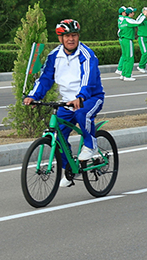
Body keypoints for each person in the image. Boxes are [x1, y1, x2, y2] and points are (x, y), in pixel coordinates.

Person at [24, 19, 105, 187]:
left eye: (74, 35)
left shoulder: (87, 54)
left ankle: (91, 145)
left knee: (82, 113)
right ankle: (70, 170)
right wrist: (33, 96)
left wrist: (81, 97)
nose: (71, 39)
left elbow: (88, 80)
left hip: (90, 98)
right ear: (60, 38)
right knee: (56, 136)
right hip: (66, 103)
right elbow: (45, 79)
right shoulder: (54, 56)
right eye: (67, 36)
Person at [116, 6, 145, 81]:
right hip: (128, 40)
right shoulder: (128, 20)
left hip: (123, 40)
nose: (133, 14)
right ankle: (127, 75)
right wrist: (143, 15)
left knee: (125, 57)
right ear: (130, 13)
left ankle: (123, 74)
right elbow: (138, 22)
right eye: (132, 12)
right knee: (130, 57)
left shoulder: (122, 20)